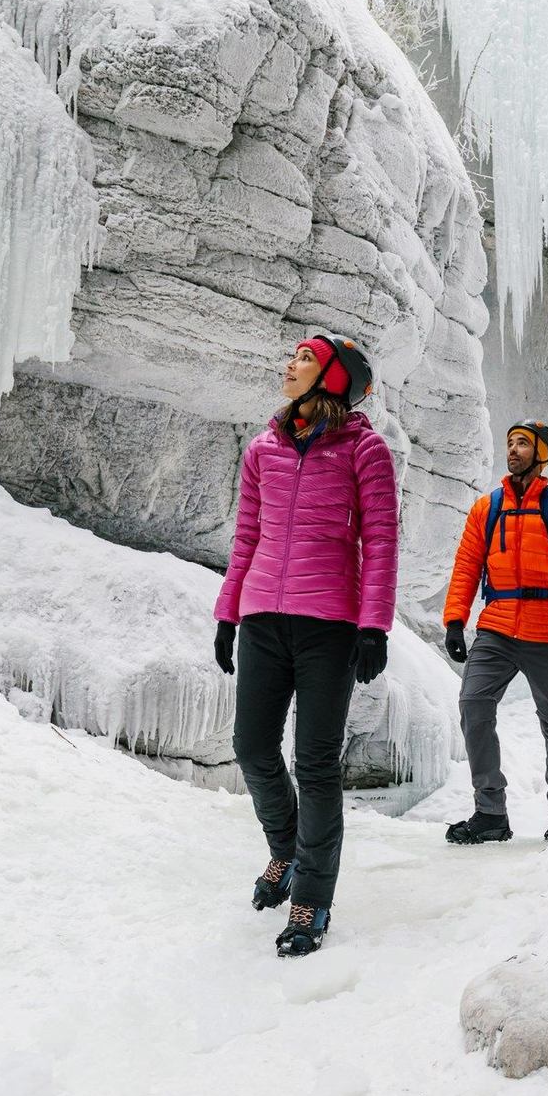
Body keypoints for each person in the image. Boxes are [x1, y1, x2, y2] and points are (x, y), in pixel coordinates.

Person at [213, 334, 398, 957]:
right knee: (251, 746)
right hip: (264, 615)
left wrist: (374, 625)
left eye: (305, 359)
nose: (289, 365)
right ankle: (286, 850)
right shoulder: (262, 447)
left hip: (330, 626)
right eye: (293, 356)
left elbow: (380, 540)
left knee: (315, 764)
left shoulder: (365, 449)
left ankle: (311, 899)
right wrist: (228, 613)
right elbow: (246, 536)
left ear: (334, 380)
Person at [441, 420, 548, 845]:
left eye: (523, 443)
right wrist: (455, 620)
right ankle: (490, 811)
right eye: (510, 443)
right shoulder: (486, 508)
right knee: (474, 704)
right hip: (497, 626)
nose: (513, 450)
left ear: (542, 454)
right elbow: (467, 567)